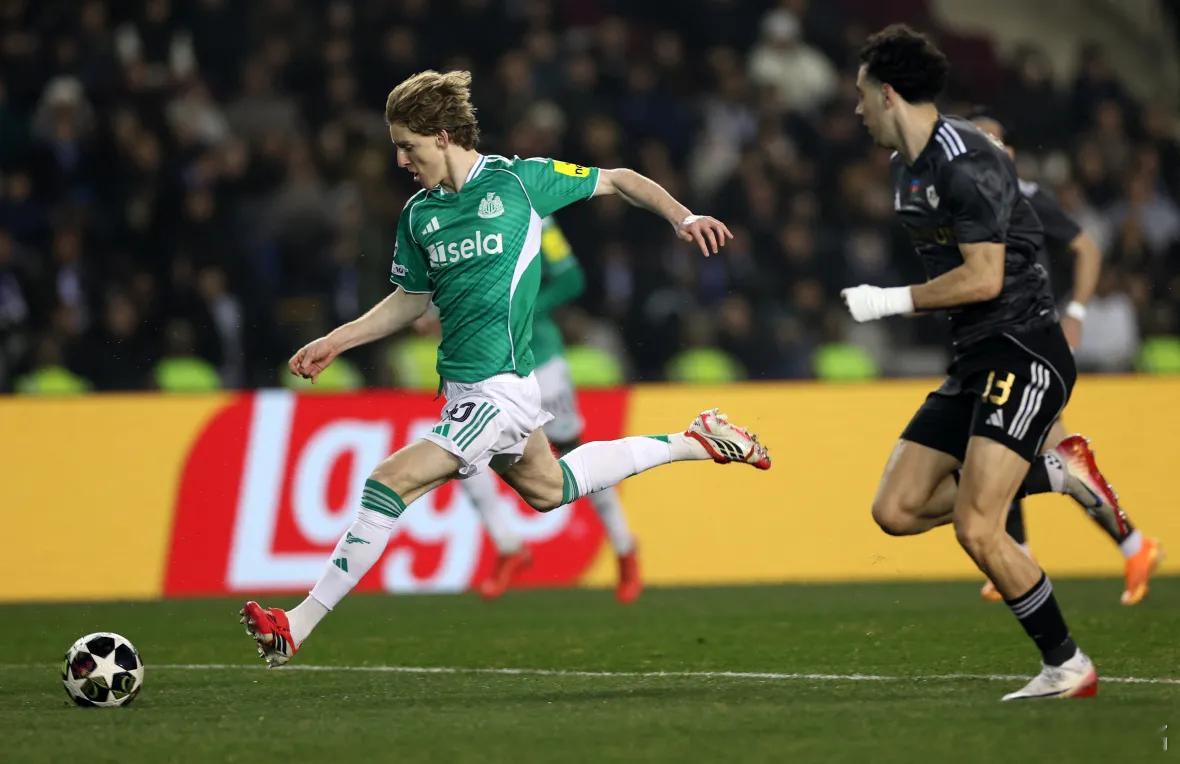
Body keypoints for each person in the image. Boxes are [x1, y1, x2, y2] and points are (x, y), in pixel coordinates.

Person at [240, 70, 770, 666]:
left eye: (408, 147)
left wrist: (683, 217)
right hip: (463, 390)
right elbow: (411, 299)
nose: (400, 161)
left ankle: (296, 625)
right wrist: (337, 340)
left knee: (388, 482)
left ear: (442, 137)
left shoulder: (520, 181)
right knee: (549, 489)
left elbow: (619, 178)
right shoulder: (419, 215)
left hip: (500, 390)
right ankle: (697, 441)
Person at [843, 25, 1120, 700]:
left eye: (861, 95)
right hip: (975, 357)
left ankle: (1068, 665)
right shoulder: (906, 170)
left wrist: (891, 301)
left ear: (887, 95)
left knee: (976, 526)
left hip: (1023, 348)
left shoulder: (968, 160)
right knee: (896, 509)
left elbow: (985, 277)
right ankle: (1054, 472)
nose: (856, 109)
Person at [970, 115, 1163, 606]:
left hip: (1030, 340)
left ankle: (1025, 554)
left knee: (1007, 441)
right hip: (999, 341)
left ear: (1010, 152)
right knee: (1025, 444)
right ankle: (1127, 546)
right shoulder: (971, 202)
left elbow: (1086, 248)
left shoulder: (1025, 197)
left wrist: (1075, 312)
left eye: (994, 140)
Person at [465, 215, 643, 603]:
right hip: (488, 364)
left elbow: (570, 278)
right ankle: (508, 546)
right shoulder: (459, 216)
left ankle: (624, 546)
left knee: (575, 455)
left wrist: (524, 309)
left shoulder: (537, 218)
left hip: (541, 362)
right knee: (462, 453)